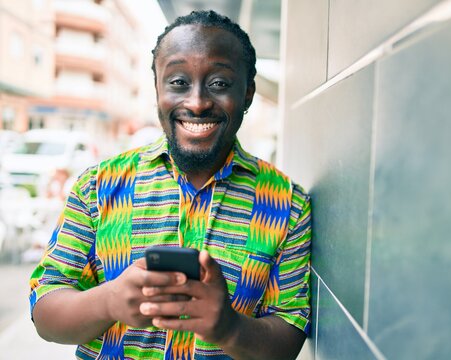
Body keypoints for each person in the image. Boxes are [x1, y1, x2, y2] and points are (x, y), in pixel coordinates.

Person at [29, 10, 311, 360]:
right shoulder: (97, 187)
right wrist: (109, 301)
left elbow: (287, 339)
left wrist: (227, 326)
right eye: (178, 82)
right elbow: (44, 313)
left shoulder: (289, 206)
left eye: (219, 83)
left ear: (248, 93)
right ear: (157, 89)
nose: (196, 102)